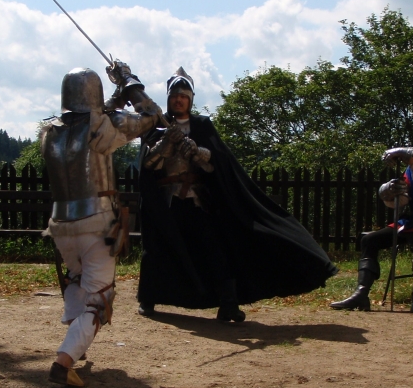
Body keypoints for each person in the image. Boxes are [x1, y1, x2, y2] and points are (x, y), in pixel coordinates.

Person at [136, 67, 338, 322]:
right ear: (168, 98)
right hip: (167, 201)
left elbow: (218, 164)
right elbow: (149, 164)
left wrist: (198, 151)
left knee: (216, 250)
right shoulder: (157, 124)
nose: (179, 100)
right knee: (158, 248)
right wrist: (165, 143)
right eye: (175, 95)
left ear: (191, 99)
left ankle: (228, 304)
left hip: (198, 200)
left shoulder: (202, 125)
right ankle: (148, 298)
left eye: (184, 96)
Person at [41, 64, 163, 387]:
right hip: (95, 226)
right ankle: (63, 362)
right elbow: (151, 115)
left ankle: (75, 343)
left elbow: (96, 115)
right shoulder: (101, 127)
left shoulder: (50, 131)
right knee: (100, 300)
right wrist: (130, 82)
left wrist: (116, 98)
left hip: (61, 225)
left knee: (78, 280)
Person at [329, 120, 413, 313]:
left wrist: (410, 160)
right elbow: (403, 199)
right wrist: (390, 191)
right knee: (369, 240)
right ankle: (361, 294)